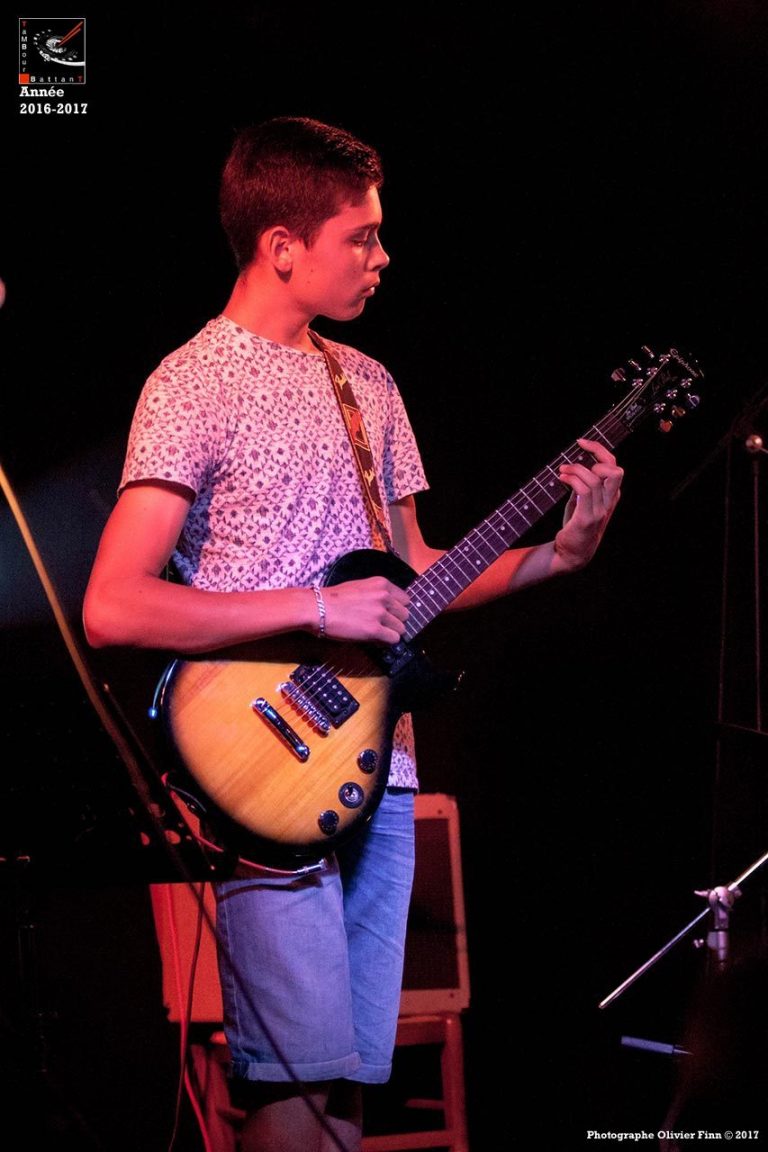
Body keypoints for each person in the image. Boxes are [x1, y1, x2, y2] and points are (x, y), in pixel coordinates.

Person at [82, 115, 624, 1152]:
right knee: (294, 1088)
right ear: (283, 245)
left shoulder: (370, 383)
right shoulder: (192, 380)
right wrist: (316, 608)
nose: (383, 256)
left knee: (345, 1088)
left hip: (381, 763)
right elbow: (115, 605)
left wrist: (561, 556)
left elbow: (417, 572)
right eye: (362, 236)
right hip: (260, 765)